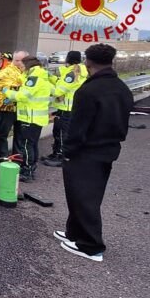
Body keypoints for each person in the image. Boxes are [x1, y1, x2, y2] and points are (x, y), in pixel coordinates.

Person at [54, 44, 133, 262]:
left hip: (86, 151)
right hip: (108, 149)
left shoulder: (89, 91)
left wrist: (68, 151)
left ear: (88, 61)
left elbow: (79, 128)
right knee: (83, 194)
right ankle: (74, 233)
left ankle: (91, 245)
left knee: (84, 196)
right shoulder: (121, 88)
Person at [2, 56, 52, 182]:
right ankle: (31, 167)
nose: (21, 69)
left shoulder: (33, 79)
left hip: (30, 118)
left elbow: (23, 96)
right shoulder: (41, 76)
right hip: (37, 118)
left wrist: (7, 92)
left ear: (29, 66)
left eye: (23, 66)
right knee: (32, 144)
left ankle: (27, 170)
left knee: (26, 145)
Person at [42, 51, 87, 167]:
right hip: (67, 108)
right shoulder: (77, 72)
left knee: (62, 133)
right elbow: (60, 83)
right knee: (58, 131)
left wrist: (46, 85)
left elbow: (58, 91)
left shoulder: (71, 74)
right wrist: (50, 77)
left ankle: (61, 157)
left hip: (66, 108)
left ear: (68, 59)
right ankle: (56, 153)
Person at [0, 51, 27, 159]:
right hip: (8, 108)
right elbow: (2, 86)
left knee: (20, 134)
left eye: (21, 60)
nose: (18, 63)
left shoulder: (27, 72)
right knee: (3, 133)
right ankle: (3, 156)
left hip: (22, 107)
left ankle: (17, 156)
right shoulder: (7, 71)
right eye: (16, 60)